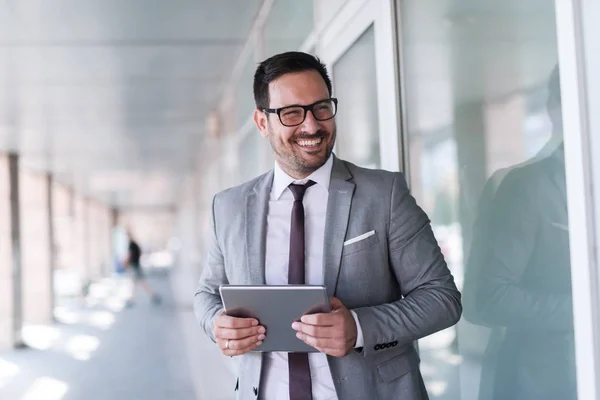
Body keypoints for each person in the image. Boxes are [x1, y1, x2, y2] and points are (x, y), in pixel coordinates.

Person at [194, 51, 462, 400]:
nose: (311, 125)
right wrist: (217, 325)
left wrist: (359, 328)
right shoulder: (228, 207)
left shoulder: (384, 195)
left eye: (321, 107)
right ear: (262, 123)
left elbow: (442, 299)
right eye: (292, 113)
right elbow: (207, 294)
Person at [462, 66, 575, 399]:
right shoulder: (526, 187)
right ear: (556, 109)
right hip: (544, 383)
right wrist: (584, 309)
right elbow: (485, 299)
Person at [124, 231, 161, 307]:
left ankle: (153, 295)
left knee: (140, 283)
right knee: (137, 283)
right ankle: (152, 296)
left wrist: (125, 263)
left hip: (135, 267)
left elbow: (129, 255)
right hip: (137, 266)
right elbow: (140, 252)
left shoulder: (131, 245)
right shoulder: (135, 244)